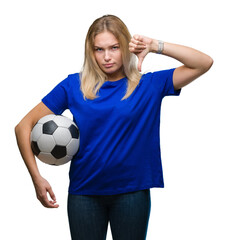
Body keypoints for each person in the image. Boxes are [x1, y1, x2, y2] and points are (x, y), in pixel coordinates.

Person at [15, 14, 213, 240]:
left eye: (114, 47)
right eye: (99, 49)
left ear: (126, 47)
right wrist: (37, 179)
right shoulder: (74, 85)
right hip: (84, 193)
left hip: (132, 193)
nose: (107, 57)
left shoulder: (148, 85)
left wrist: (155, 45)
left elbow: (203, 63)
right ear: (91, 52)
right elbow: (23, 126)